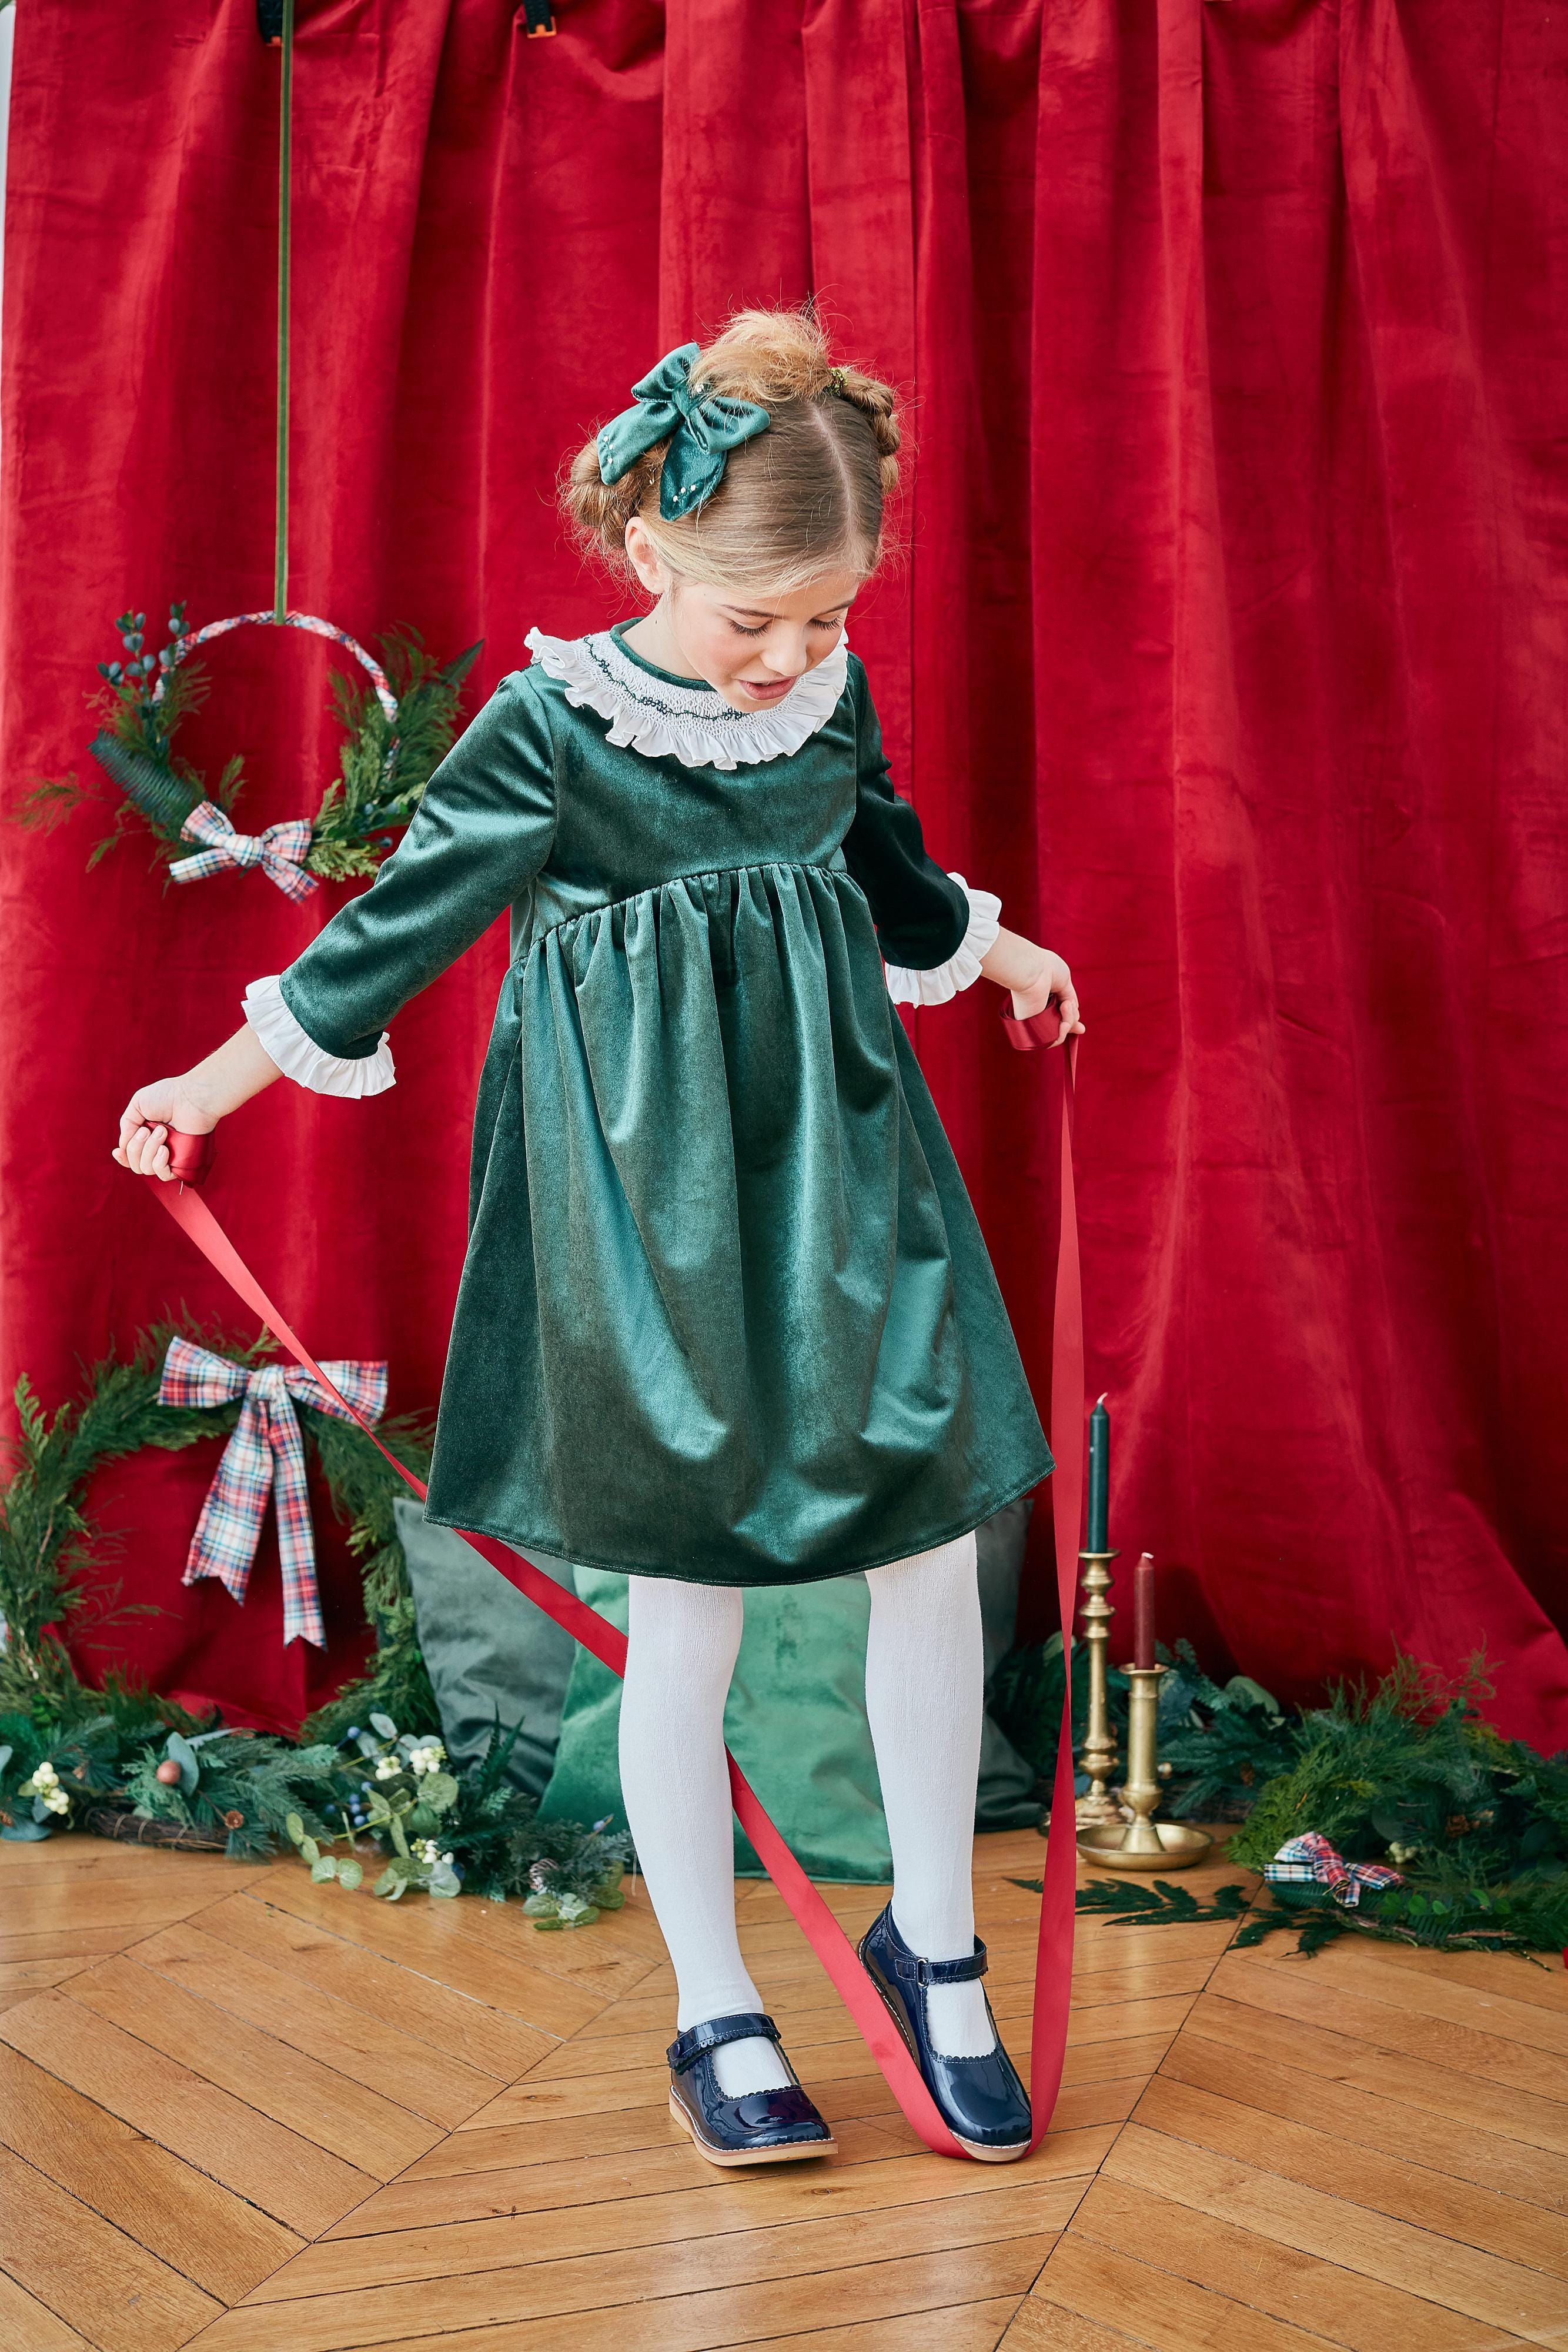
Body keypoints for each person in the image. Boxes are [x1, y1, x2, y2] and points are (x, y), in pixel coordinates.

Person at [114, 310, 1083, 2168]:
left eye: (828, 620)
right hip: (643, 1224)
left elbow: (880, 859)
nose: (790, 661)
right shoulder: (551, 731)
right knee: (688, 1607)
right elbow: (383, 938)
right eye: (754, 623)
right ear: (651, 556)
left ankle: (934, 1949)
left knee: (927, 1552)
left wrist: (1006, 945)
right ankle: (715, 2003)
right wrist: (208, 1085)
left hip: (847, 1174)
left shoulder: (819, 698)